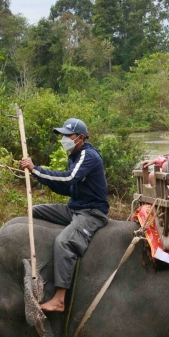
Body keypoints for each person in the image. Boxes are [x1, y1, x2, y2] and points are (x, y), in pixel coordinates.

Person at [20, 118, 109, 313]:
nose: (64, 139)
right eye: (63, 135)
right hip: (75, 208)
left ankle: (59, 299)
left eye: (68, 135)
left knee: (63, 242)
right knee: (35, 211)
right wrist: (37, 174)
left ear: (80, 138)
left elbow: (69, 177)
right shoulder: (74, 156)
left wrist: (36, 170)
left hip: (91, 212)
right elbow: (69, 187)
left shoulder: (89, 155)